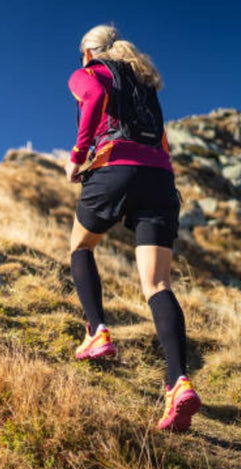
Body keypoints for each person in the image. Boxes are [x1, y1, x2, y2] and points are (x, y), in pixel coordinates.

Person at [65, 24, 201, 431]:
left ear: (89, 52)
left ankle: (97, 332)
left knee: (81, 246)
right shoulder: (146, 84)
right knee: (158, 285)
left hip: (115, 166)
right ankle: (178, 383)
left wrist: (78, 153)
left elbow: (90, 99)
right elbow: (161, 142)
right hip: (160, 178)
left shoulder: (90, 72)